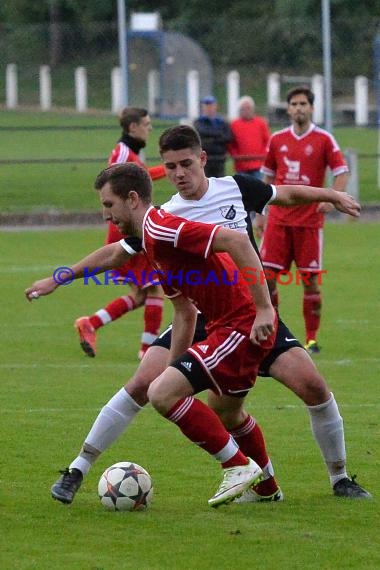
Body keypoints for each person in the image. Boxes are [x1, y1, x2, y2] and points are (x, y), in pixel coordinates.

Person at [26, 126, 370, 506]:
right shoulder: (162, 216)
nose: (178, 173)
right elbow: (117, 256)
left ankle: (338, 478)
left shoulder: (233, 189)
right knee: (147, 384)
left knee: (312, 388)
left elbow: (285, 195)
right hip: (201, 313)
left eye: (185, 163)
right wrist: (61, 278)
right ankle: (79, 467)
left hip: (251, 313)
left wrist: (332, 194)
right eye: (170, 166)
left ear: (202, 159)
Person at [28, 161, 280, 508]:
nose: (106, 216)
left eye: (108, 205)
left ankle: (237, 466)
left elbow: (236, 239)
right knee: (225, 411)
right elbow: (184, 312)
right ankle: (268, 488)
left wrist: (265, 308)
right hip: (226, 326)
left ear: (132, 199)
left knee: (160, 392)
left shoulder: (162, 229)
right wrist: (176, 370)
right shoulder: (151, 242)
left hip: (240, 323)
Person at [257, 86, 349, 355]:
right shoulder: (277, 139)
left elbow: (341, 172)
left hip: (309, 224)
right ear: (288, 109)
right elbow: (266, 178)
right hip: (278, 222)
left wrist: (332, 197)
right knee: (267, 278)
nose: (298, 108)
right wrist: (260, 214)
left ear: (311, 108)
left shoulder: (323, 139)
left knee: (309, 282)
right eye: (294, 104)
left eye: (303, 104)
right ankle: (273, 333)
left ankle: (311, 339)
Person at [75, 107, 166, 360]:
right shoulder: (123, 152)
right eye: (146, 124)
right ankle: (147, 352)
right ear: (132, 127)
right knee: (156, 289)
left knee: (140, 294)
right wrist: (169, 169)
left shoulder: (129, 152)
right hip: (128, 228)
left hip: (128, 226)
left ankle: (90, 323)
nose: (149, 128)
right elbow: (123, 183)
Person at [228, 95, 271, 179]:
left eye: (248, 108)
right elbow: (231, 144)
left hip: (259, 164)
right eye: (243, 109)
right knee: (243, 190)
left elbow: (268, 141)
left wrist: (263, 155)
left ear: (253, 109)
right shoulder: (234, 124)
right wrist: (235, 155)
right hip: (241, 165)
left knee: (259, 189)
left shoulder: (261, 123)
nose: (246, 111)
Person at [193, 95, 232, 177]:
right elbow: (202, 133)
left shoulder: (222, 121)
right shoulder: (198, 122)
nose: (209, 108)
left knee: (220, 182)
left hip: (220, 157)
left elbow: (228, 137)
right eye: (206, 106)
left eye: (211, 105)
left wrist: (210, 138)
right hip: (205, 158)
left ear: (215, 106)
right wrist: (218, 136)